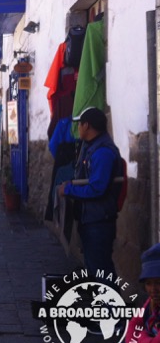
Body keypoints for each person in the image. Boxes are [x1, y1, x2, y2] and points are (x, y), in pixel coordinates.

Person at [57, 106, 122, 277]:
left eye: (79, 125)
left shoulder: (103, 153)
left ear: (87, 126)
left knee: (101, 271)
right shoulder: (91, 147)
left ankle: (109, 304)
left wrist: (70, 189)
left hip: (98, 221)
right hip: (91, 219)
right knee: (95, 269)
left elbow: (97, 188)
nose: (78, 129)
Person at [122, 243, 160, 343]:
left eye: (158, 282)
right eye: (149, 283)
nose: (153, 289)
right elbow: (135, 323)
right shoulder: (152, 301)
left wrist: (141, 338)